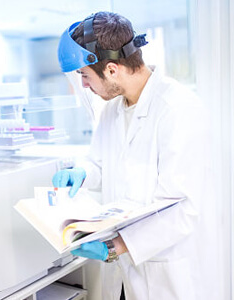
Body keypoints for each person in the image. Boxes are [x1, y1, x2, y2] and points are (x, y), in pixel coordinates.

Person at [53, 11, 215, 300]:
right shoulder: (113, 109)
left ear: (112, 69)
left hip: (163, 273)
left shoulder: (178, 110)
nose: (85, 86)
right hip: (124, 275)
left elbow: (183, 209)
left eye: (85, 76)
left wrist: (115, 246)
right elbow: (100, 164)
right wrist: (82, 173)